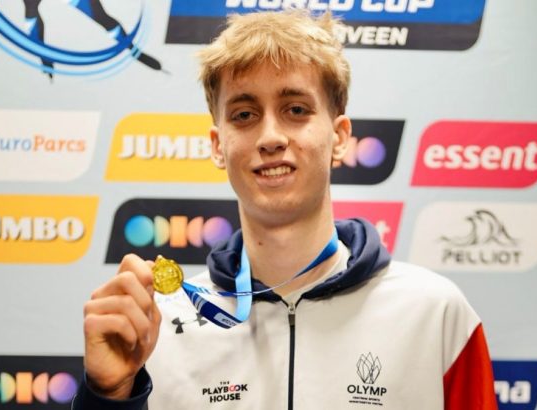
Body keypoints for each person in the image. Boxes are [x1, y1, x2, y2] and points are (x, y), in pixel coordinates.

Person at [74, 10, 498, 410]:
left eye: (295, 110)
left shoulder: (434, 313)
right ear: (219, 146)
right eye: (244, 114)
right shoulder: (158, 327)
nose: (271, 137)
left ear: (339, 138)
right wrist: (108, 396)